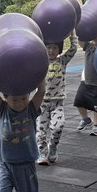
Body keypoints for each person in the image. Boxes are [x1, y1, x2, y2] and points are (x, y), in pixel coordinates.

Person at [37, 32, 78, 165]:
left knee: (58, 126)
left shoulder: (62, 61)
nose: (51, 51)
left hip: (57, 102)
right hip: (41, 102)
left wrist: (72, 32)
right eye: (48, 47)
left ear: (59, 49)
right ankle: (42, 153)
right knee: (41, 131)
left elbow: (73, 49)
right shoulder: (40, 62)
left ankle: (53, 146)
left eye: (54, 47)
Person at [73, 16, 97, 135]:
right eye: (95, 33)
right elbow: (79, 38)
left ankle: (96, 124)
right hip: (86, 81)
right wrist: (75, 25)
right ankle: (85, 119)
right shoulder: (88, 46)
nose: (96, 35)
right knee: (78, 102)